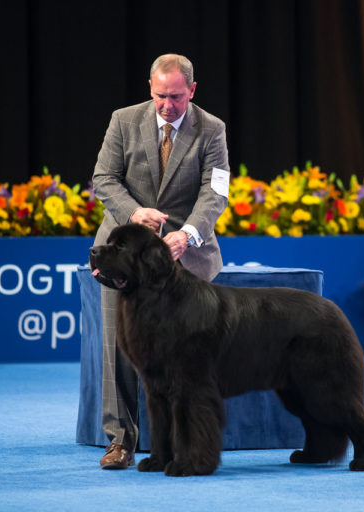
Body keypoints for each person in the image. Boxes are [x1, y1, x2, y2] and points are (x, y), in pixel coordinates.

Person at [91, 54, 229, 469]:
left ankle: (179, 444)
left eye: (175, 97)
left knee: (188, 358)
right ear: (150, 89)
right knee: (121, 347)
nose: (167, 106)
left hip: (186, 258)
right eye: (159, 96)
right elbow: (103, 180)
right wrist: (134, 213)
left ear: (192, 90)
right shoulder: (123, 120)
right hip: (124, 256)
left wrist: (187, 234)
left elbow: (215, 192)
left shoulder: (212, 129)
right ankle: (120, 441)